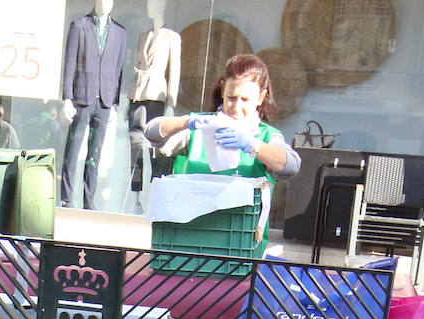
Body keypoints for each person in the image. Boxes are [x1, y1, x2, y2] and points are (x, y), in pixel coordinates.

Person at [146, 53, 300, 183]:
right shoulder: (200, 128)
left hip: (238, 218)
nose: (236, 106)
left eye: (245, 100)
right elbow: (152, 132)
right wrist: (185, 122)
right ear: (222, 91)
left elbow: (291, 166)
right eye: (231, 97)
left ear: (260, 97)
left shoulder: (267, 136)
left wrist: (253, 145)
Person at [60, 0, 127, 210]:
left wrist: (115, 101)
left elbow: (118, 69)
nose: (105, 3)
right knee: (73, 150)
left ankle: (89, 200)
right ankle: (68, 198)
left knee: (94, 154)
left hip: (105, 101)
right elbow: (69, 63)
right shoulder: (79, 25)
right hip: (82, 96)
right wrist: (67, 98)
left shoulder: (119, 33)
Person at [126, 0, 180, 210]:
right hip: (138, 94)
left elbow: (174, 71)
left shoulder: (171, 37)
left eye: (155, 3)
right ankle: (135, 196)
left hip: (157, 96)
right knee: (136, 145)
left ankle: (156, 193)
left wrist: (171, 103)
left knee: (156, 146)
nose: (150, 6)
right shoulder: (143, 36)